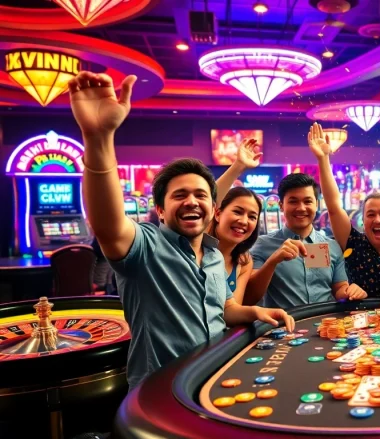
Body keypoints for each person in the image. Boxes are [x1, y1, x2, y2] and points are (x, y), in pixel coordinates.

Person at [68, 71, 294, 389]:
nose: (192, 202)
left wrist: (256, 312)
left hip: (211, 381)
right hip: (159, 393)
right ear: (160, 209)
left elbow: (223, 309)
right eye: (179, 195)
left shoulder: (213, 256)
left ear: (213, 208)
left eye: (201, 195)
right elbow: (108, 225)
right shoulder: (145, 248)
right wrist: (98, 139)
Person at [309, 122, 380, 310]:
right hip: (360, 322)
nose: (377, 219)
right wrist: (323, 159)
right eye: (371, 214)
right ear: (362, 220)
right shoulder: (354, 243)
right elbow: (334, 207)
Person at [245, 173, 367, 308]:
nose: (301, 208)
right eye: (293, 201)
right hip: (285, 321)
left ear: (316, 204)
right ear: (281, 205)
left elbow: (339, 288)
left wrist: (350, 291)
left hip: (325, 319)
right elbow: (250, 297)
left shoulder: (331, 246)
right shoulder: (262, 245)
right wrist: (273, 261)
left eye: (308, 201)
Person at [210, 138, 263, 304]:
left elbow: (233, 310)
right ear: (217, 213)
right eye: (237, 212)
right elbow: (208, 202)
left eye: (252, 216)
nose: (244, 221)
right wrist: (238, 166)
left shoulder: (243, 260)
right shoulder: (198, 245)